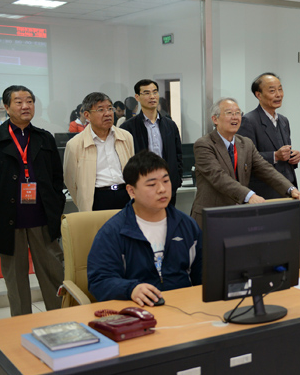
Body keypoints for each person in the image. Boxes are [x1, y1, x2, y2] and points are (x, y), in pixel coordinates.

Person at [0, 85, 65, 316]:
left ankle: (62, 320)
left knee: (55, 275)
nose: (25, 106)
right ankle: (21, 324)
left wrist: (55, 205)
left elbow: (56, 178)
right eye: (19, 102)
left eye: (29, 101)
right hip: (7, 221)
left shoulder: (44, 138)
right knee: (16, 283)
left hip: (42, 219)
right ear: (6, 106)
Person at [87, 151, 202, 306]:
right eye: (152, 185)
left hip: (183, 306)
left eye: (166, 181)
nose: (162, 189)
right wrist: (130, 289)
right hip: (138, 309)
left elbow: (204, 274)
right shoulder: (113, 232)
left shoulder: (187, 225)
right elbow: (99, 281)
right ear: (131, 191)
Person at [190, 97, 300, 228]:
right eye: (229, 113)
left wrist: (291, 189)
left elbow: (266, 170)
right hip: (212, 216)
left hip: (239, 216)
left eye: (238, 113)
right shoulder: (204, 144)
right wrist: (250, 195)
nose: (235, 117)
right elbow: (218, 177)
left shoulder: (246, 143)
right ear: (215, 119)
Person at [63, 92, 134, 212]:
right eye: (101, 110)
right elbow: (70, 181)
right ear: (87, 115)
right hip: (97, 199)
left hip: (125, 195)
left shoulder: (126, 137)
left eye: (110, 109)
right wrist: (84, 200)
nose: (107, 114)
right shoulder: (75, 144)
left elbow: (133, 171)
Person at [238, 72, 300, 199]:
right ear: (258, 95)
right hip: (265, 190)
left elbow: (283, 152)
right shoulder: (248, 121)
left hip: (289, 188)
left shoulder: (283, 120)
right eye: (272, 91)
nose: (278, 95)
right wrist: (275, 156)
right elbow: (245, 159)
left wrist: (293, 157)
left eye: (280, 89)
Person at [121, 79, 183, 206]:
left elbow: (178, 155)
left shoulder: (170, 125)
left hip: (167, 186)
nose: (152, 96)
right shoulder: (127, 128)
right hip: (142, 187)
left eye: (155, 92)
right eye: (147, 93)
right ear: (137, 97)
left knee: (168, 218)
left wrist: (176, 180)